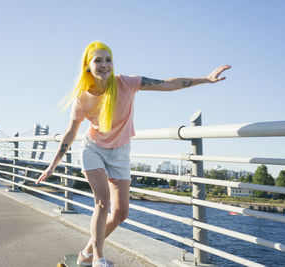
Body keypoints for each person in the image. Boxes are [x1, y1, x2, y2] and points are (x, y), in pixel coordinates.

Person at [36, 41, 230, 267]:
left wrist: (205, 79)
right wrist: (53, 164)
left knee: (121, 213)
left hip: (120, 153)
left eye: (108, 59)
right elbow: (70, 133)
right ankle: (98, 259)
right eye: (98, 60)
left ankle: (86, 252)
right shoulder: (83, 98)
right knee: (103, 201)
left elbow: (167, 84)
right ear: (88, 66)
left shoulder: (125, 83)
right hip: (93, 150)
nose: (104, 65)